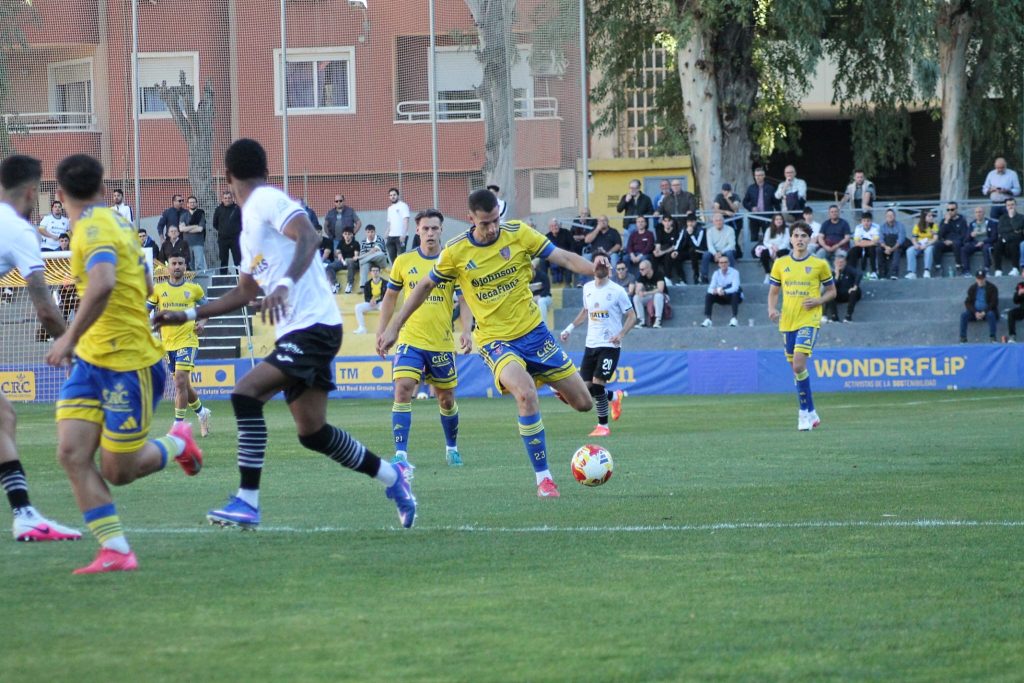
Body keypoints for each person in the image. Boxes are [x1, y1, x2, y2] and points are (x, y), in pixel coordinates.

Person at [154, 138, 416, 529]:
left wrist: (284, 285)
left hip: (313, 326)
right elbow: (245, 292)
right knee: (313, 433)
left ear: (227, 177)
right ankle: (394, 479)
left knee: (245, 394)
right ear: (265, 169)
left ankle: (247, 501)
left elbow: (309, 236)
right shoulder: (248, 230)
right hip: (306, 330)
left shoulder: (265, 200)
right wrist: (189, 313)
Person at [377, 189, 596, 498]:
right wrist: (394, 326)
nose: (493, 228)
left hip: (535, 333)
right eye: (485, 223)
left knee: (584, 404)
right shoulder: (456, 252)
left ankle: (551, 382)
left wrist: (595, 269)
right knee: (525, 393)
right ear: (470, 219)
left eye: (496, 221)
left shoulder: (518, 233)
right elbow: (424, 286)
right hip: (495, 340)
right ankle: (544, 479)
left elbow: (563, 256)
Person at [46, 153, 203, 574]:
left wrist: (68, 337)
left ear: (58, 193)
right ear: (102, 188)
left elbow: (102, 282)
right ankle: (115, 549)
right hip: (92, 361)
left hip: (129, 362)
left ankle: (178, 442)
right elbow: (147, 281)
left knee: (118, 471)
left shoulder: (92, 228)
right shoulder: (119, 223)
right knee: (71, 452)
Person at [0, 154, 82, 543]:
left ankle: (24, 513)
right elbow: (47, 309)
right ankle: (25, 514)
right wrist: (73, 349)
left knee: (3, 417)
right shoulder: (19, 231)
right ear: (33, 191)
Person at [377, 209, 473, 467]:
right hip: (410, 338)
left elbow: (464, 299)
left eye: (435, 228)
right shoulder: (403, 261)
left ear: (441, 230)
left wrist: (466, 330)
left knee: (446, 399)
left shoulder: (451, 262)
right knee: (402, 389)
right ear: (417, 230)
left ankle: (452, 448)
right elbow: (390, 297)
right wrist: (382, 330)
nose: (430, 233)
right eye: (425, 228)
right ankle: (400, 455)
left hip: (441, 342)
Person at [767, 221, 837, 431]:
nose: (799, 239)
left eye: (803, 236)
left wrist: (819, 300)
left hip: (809, 320)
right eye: (796, 235)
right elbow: (774, 292)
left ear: (809, 239)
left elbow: (832, 291)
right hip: (788, 321)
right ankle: (811, 412)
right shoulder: (780, 263)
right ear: (790, 239)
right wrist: (771, 308)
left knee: (798, 365)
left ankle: (803, 414)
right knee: (797, 371)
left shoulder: (819, 264)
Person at [560, 251, 636, 437]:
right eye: (598, 264)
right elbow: (585, 312)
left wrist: (621, 334)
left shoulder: (617, 291)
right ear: (592, 267)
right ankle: (614, 396)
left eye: (604, 264)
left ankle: (603, 426)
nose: (601, 267)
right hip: (591, 345)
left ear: (609, 267)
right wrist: (569, 328)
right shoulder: (587, 288)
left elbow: (632, 316)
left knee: (598, 384)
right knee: (586, 389)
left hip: (609, 345)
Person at [147, 254, 213, 436]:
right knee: (183, 385)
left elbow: (207, 310)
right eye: (174, 263)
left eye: (180, 263)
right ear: (168, 267)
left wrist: (202, 323)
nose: (177, 266)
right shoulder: (158, 289)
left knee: (180, 381)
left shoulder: (194, 289)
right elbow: (145, 310)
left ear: (185, 266)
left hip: (188, 340)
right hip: (168, 344)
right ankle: (202, 412)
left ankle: (178, 427)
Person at [701, 254, 742, 327]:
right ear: (718, 264)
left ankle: (734, 319)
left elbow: (735, 287)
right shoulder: (716, 273)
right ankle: (708, 319)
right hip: (720, 296)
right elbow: (710, 288)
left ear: (729, 263)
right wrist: (715, 291)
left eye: (725, 262)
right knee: (709, 295)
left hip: (732, 296)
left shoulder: (735, 272)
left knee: (735, 293)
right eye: (721, 262)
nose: (723, 264)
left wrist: (724, 291)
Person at [959, 270, 999, 343]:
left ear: (985, 278)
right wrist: (975, 312)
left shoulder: (992, 288)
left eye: (982, 279)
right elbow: (968, 302)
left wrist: (984, 312)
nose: (980, 281)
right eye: (979, 279)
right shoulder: (972, 288)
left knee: (991, 314)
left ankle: (993, 337)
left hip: (987, 312)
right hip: (975, 313)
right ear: (976, 279)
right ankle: (963, 338)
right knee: (964, 315)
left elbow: (994, 302)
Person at [742, 167, 779, 243]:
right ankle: (754, 250)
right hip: (754, 216)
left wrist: (779, 215)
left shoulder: (770, 188)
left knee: (768, 237)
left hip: (767, 216)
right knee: (753, 238)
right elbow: (744, 202)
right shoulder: (751, 188)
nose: (758, 177)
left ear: (764, 176)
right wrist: (751, 208)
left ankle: (767, 250)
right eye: (756, 175)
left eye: (760, 175)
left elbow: (776, 203)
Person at [823, 251, 862, 322]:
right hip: (839, 295)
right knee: (829, 293)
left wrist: (855, 286)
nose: (840, 264)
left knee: (854, 292)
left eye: (841, 262)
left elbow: (859, 274)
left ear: (845, 263)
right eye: (837, 262)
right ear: (834, 263)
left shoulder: (849, 269)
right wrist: (836, 276)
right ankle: (834, 317)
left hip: (849, 292)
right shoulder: (831, 273)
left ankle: (848, 317)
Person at [701, 212, 736, 283]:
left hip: (726, 251)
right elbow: (710, 246)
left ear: (723, 221)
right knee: (706, 254)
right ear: (713, 222)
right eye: (716, 221)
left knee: (729, 253)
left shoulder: (730, 229)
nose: (718, 222)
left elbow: (732, 244)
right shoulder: (709, 231)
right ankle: (704, 277)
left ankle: (731, 275)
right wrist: (715, 254)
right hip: (715, 253)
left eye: (720, 220)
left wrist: (721, 253)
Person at [961, 206, 997, 276]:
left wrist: (983, 242)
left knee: (986, 248)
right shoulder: (972, 224)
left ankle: (986, 269)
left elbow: (994, 237)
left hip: (986, 242)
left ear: (984, 213)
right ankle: (966, 271)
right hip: (975, 243)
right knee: (963, 249)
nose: (978, 214)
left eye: (980, 212)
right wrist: (971, 235)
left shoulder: (991, 223)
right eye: (976, 212)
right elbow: (966, 240)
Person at [936, 201, 968, 276]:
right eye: (948, 210)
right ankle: (938, 268)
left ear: (956, 210)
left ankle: (958, 266)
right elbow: (940, 235)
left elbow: (964, 235)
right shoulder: (944, 221)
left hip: (956, 243)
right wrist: (946, 221)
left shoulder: (962, 221)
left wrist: (952, 241)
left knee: (957, 244)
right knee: (937, 245)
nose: (950, 211)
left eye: (952, 209)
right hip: (946, 243)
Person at [755, 213, 789, 284]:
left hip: (783, 248)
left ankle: (780, 275)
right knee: (764, 253)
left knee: (780, 253)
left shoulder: (786, 230)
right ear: (774, 221)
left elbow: (786, 242)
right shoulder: (769, 229)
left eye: (780, 219)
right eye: (777, 219)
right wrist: (772, 247)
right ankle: (767, 274)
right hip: (771, 248)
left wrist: (777, 249)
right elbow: (765, 241)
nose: (779, 221)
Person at [213, 189, 242, 272]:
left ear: (232, 198)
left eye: (229, 198)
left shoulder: (238, 209)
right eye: (225, 198)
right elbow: (215, 224)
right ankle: (223, 278)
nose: (227, 199)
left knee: (238, 260)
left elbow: (243, 223)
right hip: (223, 239)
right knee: (223, 261)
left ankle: (239, 277)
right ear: (222, 199)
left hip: (235, 239)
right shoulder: (218, 209)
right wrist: (223, 231)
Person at [994, 197, 1024, 277]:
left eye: (1012, 204)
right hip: (1005, 239)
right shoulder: (1002, 217)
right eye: (1008, 205)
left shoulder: (1021, 217)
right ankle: (998, 270)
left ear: (1015, 205)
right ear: (1006, 207)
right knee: (997, 245)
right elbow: (1001, 230)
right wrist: (1013, 231)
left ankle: (1015, 268)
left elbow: (1017, 227)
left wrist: (1012, 218)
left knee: (1013, 244)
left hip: (1016, 240)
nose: (1010, 207)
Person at [633, 259, 667, 328]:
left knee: (658, 296)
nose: (640, 271)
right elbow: (637, 290)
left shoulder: (658, 274)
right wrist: (639, 290)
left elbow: (660, 289)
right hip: (649, 296)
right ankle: (641, 321)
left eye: (642, 269)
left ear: (649, 268)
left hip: (662, 296)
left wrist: (646, 293)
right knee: (636, 297)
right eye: (640, 269)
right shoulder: (642, 276)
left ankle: (658, 320)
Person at [653, 213, 685, 284]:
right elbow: (658, 243)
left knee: (669, 256)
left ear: (672, 222)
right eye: (665, 221)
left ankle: (669, 278)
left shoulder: (676, 231)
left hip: (673, 251)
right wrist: (657, 251)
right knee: (653, 256)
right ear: (662, 222)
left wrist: (662, 252)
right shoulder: (660, 230)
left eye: (668, 221)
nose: (667, 223)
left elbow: (674, 246)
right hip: (663, 250)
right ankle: (653, 280)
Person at [905, 208, 938, 279]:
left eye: (932, 216)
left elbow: (935, 238)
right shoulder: (917, 226)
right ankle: (912, 272)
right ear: (924, 217)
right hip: (919, 244)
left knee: (929, 250)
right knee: (910, 250)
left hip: (929, 244)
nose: (931, 217)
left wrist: (926, 245)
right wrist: (915, 244)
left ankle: (927, 271)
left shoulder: (934, 226)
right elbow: (913, 238)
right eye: (929, 216)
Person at [354, 264, 386, 334]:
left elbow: (385, 297)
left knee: (384, 307)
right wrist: (370, 301)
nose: (375, 272)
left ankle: (383, 329)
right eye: (373, 271)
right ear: (370, 272)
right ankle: (362, 328)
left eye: (377, 271)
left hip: (381, 303)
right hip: (371, 303)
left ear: (379, 272)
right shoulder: (367, 284)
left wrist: (376, 301)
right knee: (358, 307)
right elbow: (366, 298)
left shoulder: (385, 283)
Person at [325, 228, 359, 294]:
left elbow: (356, 257)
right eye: (345, 234)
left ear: (352, 235)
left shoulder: (356, 243)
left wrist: (348, 260)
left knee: (349, 261)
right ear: (343, 235)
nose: (347, 236)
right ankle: (335, 284)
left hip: (353, 263)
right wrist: (340, 256)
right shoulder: (341, 242)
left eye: (349, 234)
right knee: (329, 267)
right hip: (343, 262)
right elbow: (338, 252)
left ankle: (350, 284)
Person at [848, 212, 880, 279]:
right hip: (861, 248)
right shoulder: (858, 227)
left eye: (868, 221)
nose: (866, 223)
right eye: (864, 221)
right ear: (861, 221)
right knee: (853, 251)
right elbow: (856, 243)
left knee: (872, 249)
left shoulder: (876, 227)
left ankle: (874, 272)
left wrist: (863, 241)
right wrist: (869, 242)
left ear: (871, 221)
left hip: (872, 248)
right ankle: (851, 272)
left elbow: (875, 242)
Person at [180, 195, 207, 272]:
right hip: (187, 244)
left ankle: (201, 279)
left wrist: (187, 229)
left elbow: (200, 229)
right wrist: (195, 226)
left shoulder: (201, 214)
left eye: (194, 202)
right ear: (187, 204)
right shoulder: (184, 216)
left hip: (198, 243)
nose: (192, 204)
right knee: (189, 265)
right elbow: (181, 229)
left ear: (197, 204)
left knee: (199, 265)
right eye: (190, 202)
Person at [878, 208, 906, 280]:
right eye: (888, 215)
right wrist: (886, 247)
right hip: (886, 246)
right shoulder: (882, 226)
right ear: (885, 217)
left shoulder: (900, 225)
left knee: (897, 251)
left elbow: (900, 240)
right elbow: (881, 240)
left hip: (896, 246)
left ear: (895, 216)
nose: (890, 217)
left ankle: (894, 273)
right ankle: (882, 274)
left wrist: (892, 249)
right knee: (878, 250)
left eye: (891, 215)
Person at [678, 213, 706, 284]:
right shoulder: (684, 229)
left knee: (692, 251)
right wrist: (675, 250)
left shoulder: (701, 230)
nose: (690, 224)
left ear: (695, 222)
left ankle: (696, 275)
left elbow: (698, 245)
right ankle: (682, 278)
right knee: (677, 255)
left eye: (692, 221)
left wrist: (691, 234)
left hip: (699, 251)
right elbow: (679, 241)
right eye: (688, 222)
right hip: (687, 251)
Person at [385, 187, 410, 264]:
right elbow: (391, 223)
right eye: (391, 195)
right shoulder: (389, 208)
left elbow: (406, 220)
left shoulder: (403, 205)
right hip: (391, 237)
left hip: (400, 236)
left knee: (401, 258)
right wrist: (387, 232)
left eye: (394, 195)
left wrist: (403, 235)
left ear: (398, 195)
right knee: (393, 260)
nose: (392, 196)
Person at [545, 218, 574, 284]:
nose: (554, 227)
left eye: (556, 225)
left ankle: (568, 284)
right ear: (549, 228)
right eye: (552, 226)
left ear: (559, 225)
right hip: (552, 258)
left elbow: (573, 245)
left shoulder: (566, 232)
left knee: (568, 262)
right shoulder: (547, 236)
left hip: (566, 256)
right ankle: (545, 283)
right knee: (542, 261)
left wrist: (569, 255)